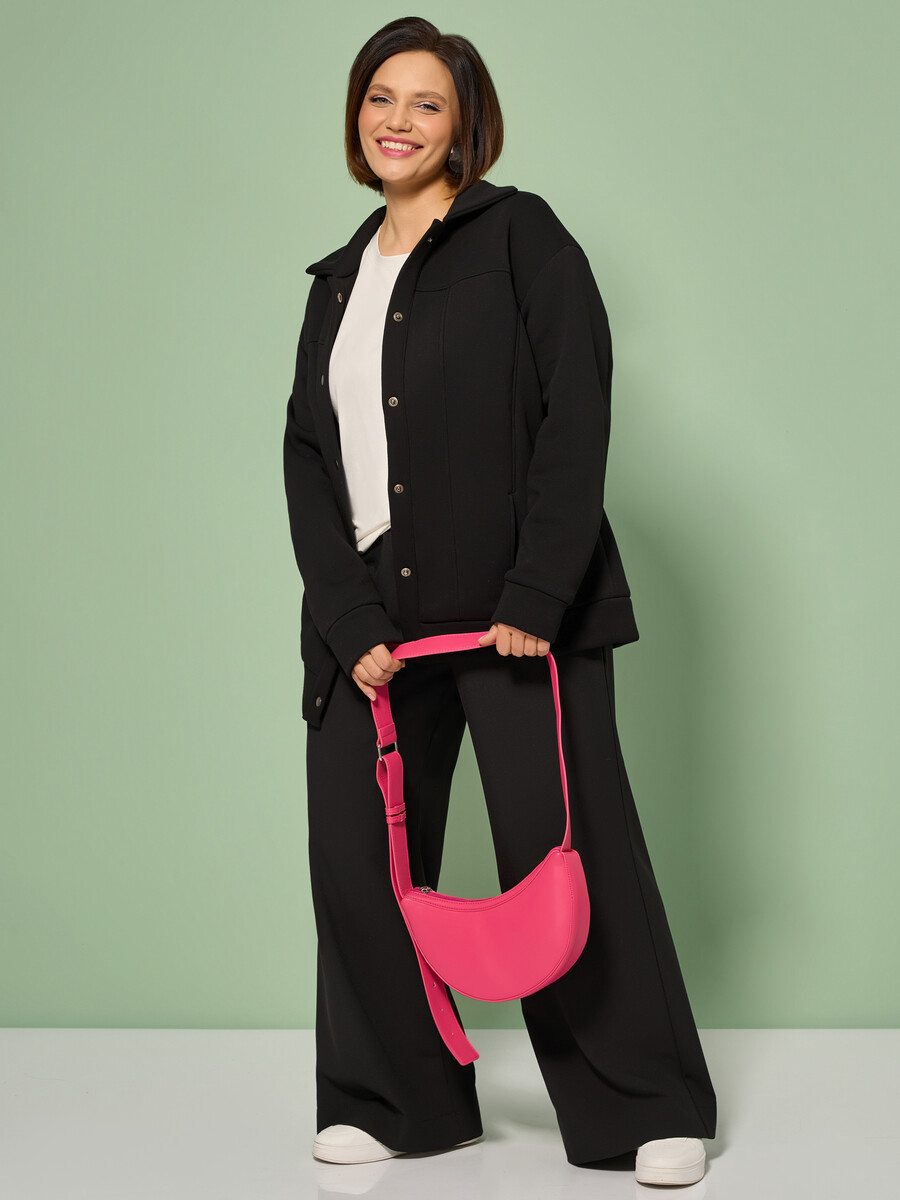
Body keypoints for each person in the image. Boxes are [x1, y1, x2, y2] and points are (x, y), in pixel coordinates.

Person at [282, 15, 717, 1186]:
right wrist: (347, 620)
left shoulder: (522, 237)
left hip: (516, 611)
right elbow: (309, 458)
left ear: (465, 124)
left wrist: (538, 587)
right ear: (356, 114)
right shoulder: (335, 282)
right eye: (381, 97)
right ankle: (394, 1099)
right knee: (360, 860)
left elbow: (578, 406)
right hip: (371, 621)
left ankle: (644, 1106)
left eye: (427, 102)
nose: (399, 121)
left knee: (566, 848)